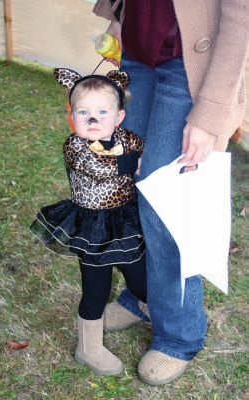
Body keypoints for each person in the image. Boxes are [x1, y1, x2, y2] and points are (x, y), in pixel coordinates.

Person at [92, 0, 249, 385]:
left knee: (166, 206)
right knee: (129, 189)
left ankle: (179, 333)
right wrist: (119, 17)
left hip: (190, 69)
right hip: (136, 57)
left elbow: (240, 17)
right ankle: (143, 296)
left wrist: (210, 114)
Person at [30, 67, 148, 376]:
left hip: (125, 221)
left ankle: (149, 310)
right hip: (92, 228)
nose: (92, 119)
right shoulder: (74, 147)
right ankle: (89, 347)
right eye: (83, 112)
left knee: (140, 277)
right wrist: (135, 163)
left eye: (101, 112)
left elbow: (142, 152)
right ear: (72, 115)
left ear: (118, 117)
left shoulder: (129, 138)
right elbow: (103, 169)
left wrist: (141, 159)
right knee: (97, 289)